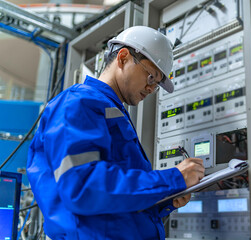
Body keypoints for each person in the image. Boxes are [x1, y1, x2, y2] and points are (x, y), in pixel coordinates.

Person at [27, 26, 205, 240]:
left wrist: (165, 197)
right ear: (123, 58)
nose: (151, 89)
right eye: (151, 77)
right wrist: (172, 179)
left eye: (156, 85)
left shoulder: (111, 110)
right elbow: (83, 187)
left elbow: (113, 203)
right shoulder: (78, 103)